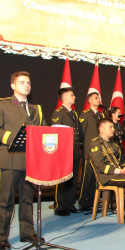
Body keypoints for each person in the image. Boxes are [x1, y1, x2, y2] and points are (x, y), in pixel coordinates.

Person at [0, 71, 47, 250]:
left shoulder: (37, 108)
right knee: (5, 200)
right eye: (22, 82)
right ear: (13, 85)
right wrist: (14, 138)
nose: (27, 85)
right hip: (10, 158)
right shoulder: (2, 104)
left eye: (28, 83)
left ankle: (27, 232)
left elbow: (42, 130)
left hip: (30, 160)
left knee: (27, 199)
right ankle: (1, 237)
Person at [51, 87, 83, 216]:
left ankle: (69, 204)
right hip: (64, 153)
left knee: (72, 179)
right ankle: (59, 206)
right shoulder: (59, 113)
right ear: (64, 98)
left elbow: (78, 133)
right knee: (63, 180)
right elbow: (56, 133)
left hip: (74, 152)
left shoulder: (74, 113)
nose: (74, 97)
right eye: (72, 95)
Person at [78, 92, 105, 211]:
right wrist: (84, 150)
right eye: (95, 98)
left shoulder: (101, 115)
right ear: (89, 100)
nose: (98, 99)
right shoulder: (85, 114)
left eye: (99, 97)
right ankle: (83, 202)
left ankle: (92, 201)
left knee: (95, 178)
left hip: (99, 152)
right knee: (86, 178)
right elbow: (81, 134)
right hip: (89, 151)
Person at [90, 118, 125, 187]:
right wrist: (120, 171)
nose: (113, 129)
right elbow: (100, 166)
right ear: (101, 129)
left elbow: (122, 162)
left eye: (113, 127)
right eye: (110, 127)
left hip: (118, 174)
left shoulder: (114, 145)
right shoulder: (95, 143)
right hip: (107, 177)